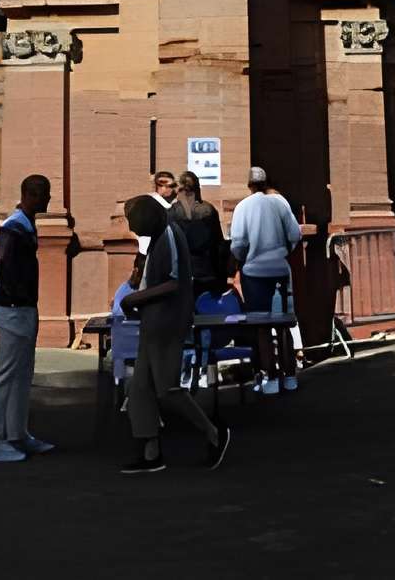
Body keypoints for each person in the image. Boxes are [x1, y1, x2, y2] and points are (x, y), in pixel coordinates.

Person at [120, 192, 230, 475]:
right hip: (153, 321)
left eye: (133, 222)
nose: (132, 229)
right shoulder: (159, 236)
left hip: (168, 321)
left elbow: (174, 283)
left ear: (147, 217)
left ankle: (215, 433)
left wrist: (136, 299)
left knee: (167, 389)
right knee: (140, 388)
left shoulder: (169, 234)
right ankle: (151, 451)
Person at [0, 173, 56, 466]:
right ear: (31, 195)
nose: (49, 199)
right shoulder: (14, 229)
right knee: (6, 374)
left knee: (23, 373)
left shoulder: (24, 226)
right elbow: (7, 268)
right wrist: (19, 298)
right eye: (44, 193)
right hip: (14, 308)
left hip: (22, 307)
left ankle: (16, 433)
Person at [229, 165, 302, 395]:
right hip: (280, 268)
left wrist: (245, 258)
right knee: (284, 323)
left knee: (261, 326)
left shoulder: (243, 207)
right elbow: (295, 235)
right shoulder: (280, 203)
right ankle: (290, 376)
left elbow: (238, 243)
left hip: (254, 272)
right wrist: (283, 251)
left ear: (249, 184)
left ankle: (270, 377)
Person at [175, 169, 228, 296]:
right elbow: (218, 245)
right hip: (207, 274)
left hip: (181, 276)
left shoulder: (172, 212)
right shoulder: (208, 210)